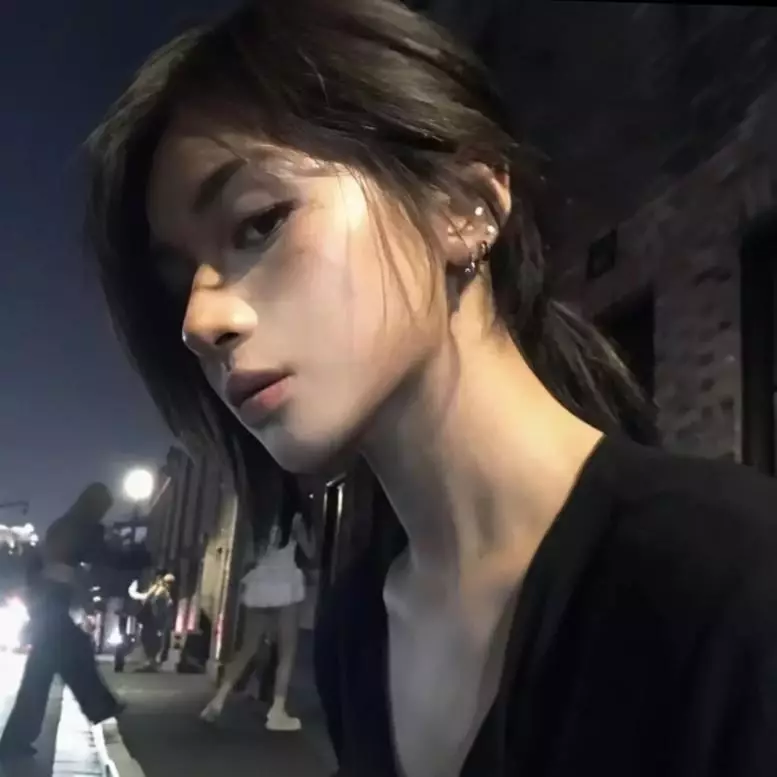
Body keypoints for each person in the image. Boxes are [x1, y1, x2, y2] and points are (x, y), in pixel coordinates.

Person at [84, 1, 777, 775]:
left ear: (463, 205)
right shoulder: (357, 628)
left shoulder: (731, 581)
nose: (198, 319)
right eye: (180, 280)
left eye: (258, 221)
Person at [0, 484, 123, 758]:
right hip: (51, 603)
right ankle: (99, 705)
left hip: (45, 603)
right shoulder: (81, 528)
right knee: (73, 652)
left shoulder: (66, 525)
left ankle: (16, 739)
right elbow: (75, 564)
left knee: (41, 673)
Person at [200, 479, 315, 730]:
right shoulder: (295, 520)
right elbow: (310, 552)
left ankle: (218, 700)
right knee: (287, 652)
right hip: (285, 584)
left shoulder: (260, 522)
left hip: (261, 584)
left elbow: (251, 556)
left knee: (247, 648)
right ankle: (277, 711)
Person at [129, 573, 175, 671]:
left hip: (152, 622)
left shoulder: (159, 591)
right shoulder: (160, 592)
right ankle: (151, 661)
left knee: (151, 641)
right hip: (153, 622)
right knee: (151, 641)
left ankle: (151, 661)